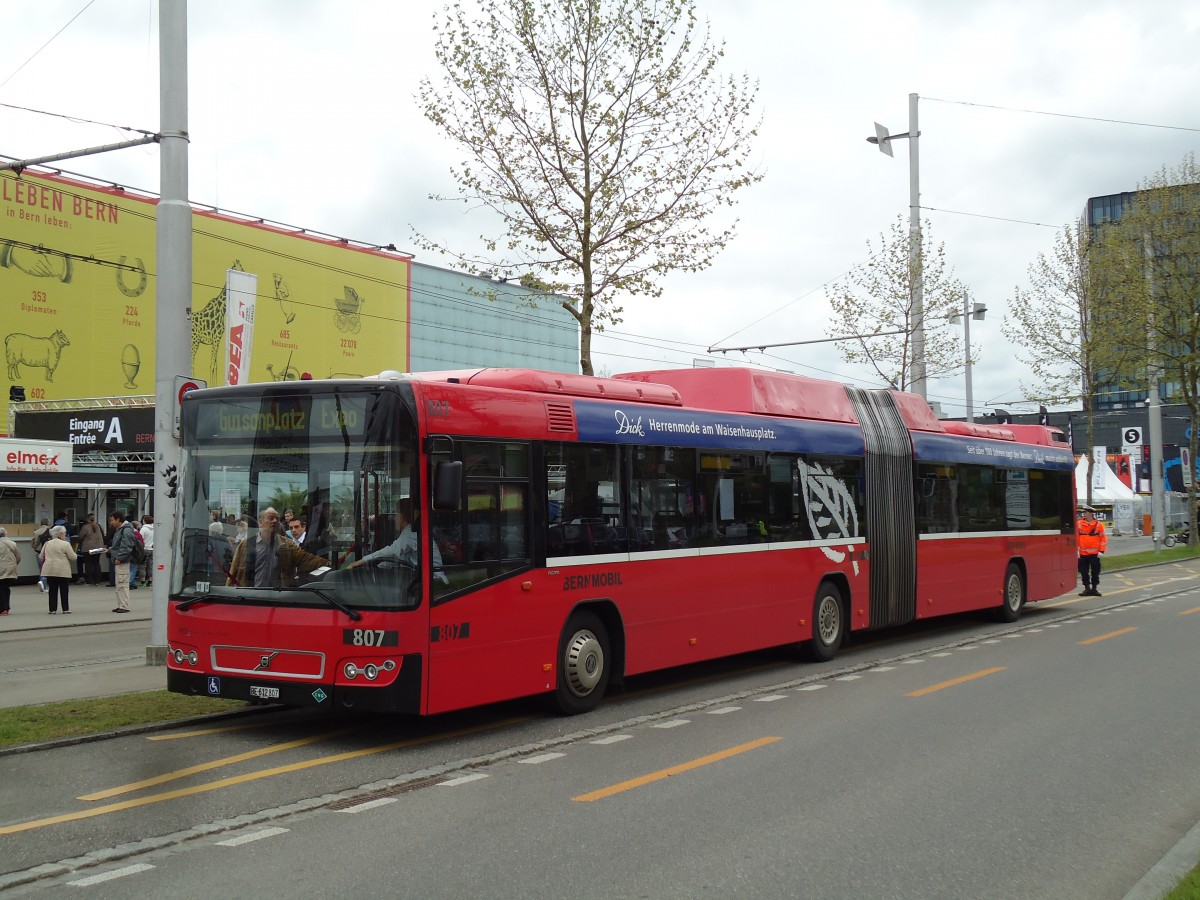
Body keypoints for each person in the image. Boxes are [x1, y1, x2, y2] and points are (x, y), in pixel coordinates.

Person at [227, 507, 330, 588]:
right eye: (271, 518)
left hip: (277, 600)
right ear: (261, 522)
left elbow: (307, 559)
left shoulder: (287, 545)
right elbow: (233, 573)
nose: (275, 521)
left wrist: (333, 564)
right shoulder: (246, 545)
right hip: (249, 599)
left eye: (277, 518)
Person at [349, 499, 446, 582]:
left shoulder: (410, 534)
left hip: (434, 583)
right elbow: (398, 559)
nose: (394, 519)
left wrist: (359, 562)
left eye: (395, 515)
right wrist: (377, 568)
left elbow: (390, 552)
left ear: (401, 517)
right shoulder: (409, 532)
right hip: (425, 579)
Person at [40, 525, 77, 614]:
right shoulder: (65, 544)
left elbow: (41, 556)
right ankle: (65, 609)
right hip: (62, 569)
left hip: (50, 569)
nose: (65, 535)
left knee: (52, 590)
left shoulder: (47, 543)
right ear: (60, 534)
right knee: (64, 589)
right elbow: (73, 557)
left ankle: (52, 609)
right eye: (64, 533)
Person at [107, 511, 137, 613]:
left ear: (118, 519)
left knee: (122, 584)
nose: (111, 522)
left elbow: (126, 546)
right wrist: (110, 550)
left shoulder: (126, 530)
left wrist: (119, 558)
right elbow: (120, 545)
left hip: (122, 561)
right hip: (120, 560)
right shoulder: (121, 529)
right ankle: (121, 605)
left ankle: (124, 606)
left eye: (112, 520)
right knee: (120, 584)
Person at [1076, 505, 1107, 597]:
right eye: (1084, 512)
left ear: (1091, 514)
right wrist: (1076, 550)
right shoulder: (1079, 523)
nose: (1084, 514)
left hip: (1094, 553)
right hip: (1082, 553)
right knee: (1083, 571)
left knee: (1095, 571)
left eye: (1086, 512)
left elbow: (1103, 538)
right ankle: (1087, 588)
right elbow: (1076, 537)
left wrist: (1102, 551)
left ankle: (1094, 588)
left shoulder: (1098, 524)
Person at [78, 514, 105, 585]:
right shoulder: (99, 526)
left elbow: (80, 537)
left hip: (88, 548)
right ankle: (97, 581)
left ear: (87, 519)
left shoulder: (85, 527)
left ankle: (89, 580)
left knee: (88, 564)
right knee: (96, 563)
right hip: (98, 547)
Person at [0, 527, 20, 615]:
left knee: (0, 588)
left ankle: (2, 609)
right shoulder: (12, 544)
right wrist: (13, 564)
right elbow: (18, 557)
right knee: (6, 588)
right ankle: (6, 607)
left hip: (1, 569)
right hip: (10, 569)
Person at [32, 517, 51, 592]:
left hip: (39, 553)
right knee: (48, 569)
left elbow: (35, 545)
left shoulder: (37, 532)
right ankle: (45, 584)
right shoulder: (51, 531)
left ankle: (43, 584)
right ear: (48, 523)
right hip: (49, 553)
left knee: (41, 569)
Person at [140, 515, 155, 586]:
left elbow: (140, 539)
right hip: (152, 549)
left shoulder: (143, 529)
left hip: (145, 549)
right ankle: (150, 580)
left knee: (143, 566)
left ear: (144, 521)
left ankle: (143, 581)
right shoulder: (155, 528)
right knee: (150, 565)